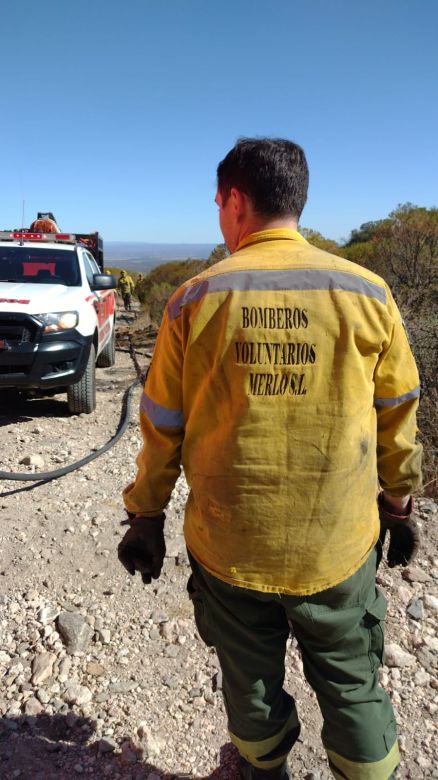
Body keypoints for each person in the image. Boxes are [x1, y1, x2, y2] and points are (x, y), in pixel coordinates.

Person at [118, 138, 422, 779]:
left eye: (218, 205)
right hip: (336, 546)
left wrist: (145, 516)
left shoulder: (192, 301)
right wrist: (397, 503)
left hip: (230, 548)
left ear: (234, 200)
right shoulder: (368, 293)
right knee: (352, 686)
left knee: (251, 687)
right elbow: (398, 413)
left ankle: (262, 770)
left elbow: (162, 426)